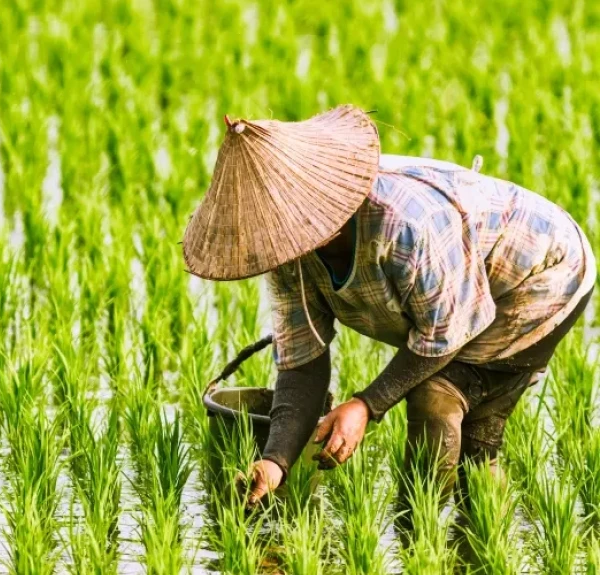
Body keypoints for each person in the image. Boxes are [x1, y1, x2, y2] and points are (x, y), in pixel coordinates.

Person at [182, 105, 596, 508]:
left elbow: (443, 333)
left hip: (543, 272)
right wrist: (275, 462)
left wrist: (365, 405)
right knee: (473, 444)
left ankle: (423, 536)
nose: (283, 240)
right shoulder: (288, 256)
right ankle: (466, 540)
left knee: (438, 396)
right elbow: (302, 363)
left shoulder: (405, 226)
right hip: (467, 290)